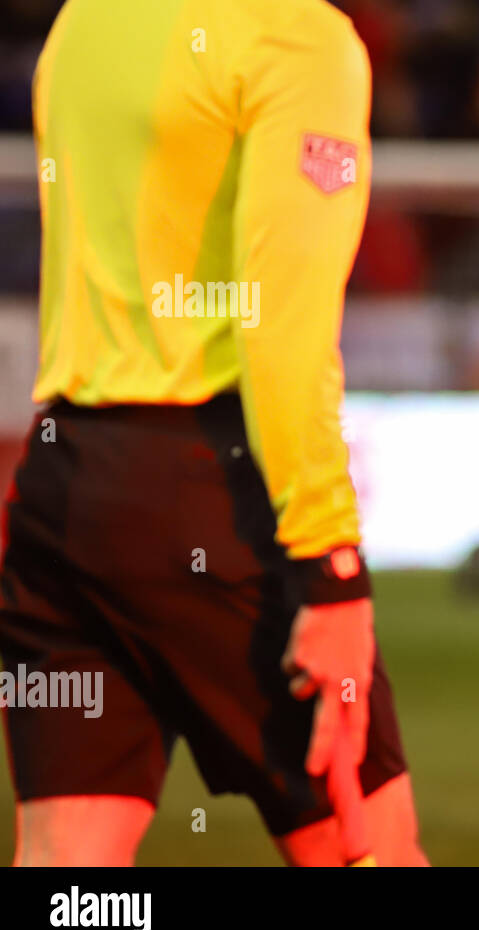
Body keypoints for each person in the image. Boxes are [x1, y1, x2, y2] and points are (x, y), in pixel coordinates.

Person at [0, 0, 427, 866]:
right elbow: (283, 328)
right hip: (216, 496)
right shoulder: (296, 38)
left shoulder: (85, 20)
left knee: (67, 869)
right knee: (367, 852)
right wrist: (329, 566)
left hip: (64, 485)